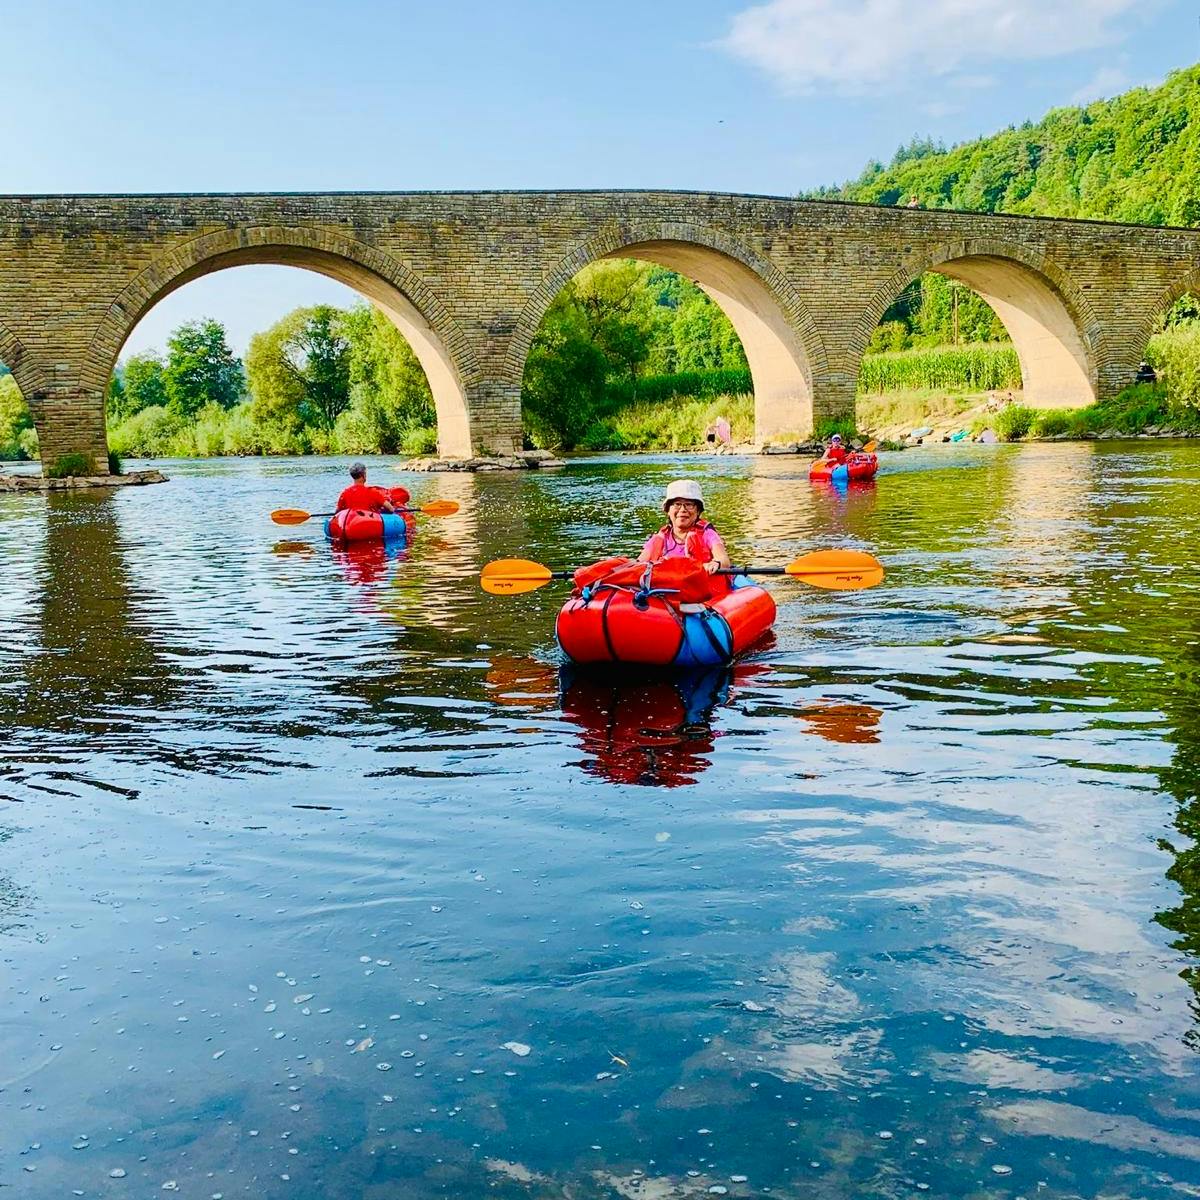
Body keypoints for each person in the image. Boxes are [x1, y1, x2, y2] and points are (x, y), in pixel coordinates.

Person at [638, 480, 731, 577]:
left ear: (698, 511)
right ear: (668, 510)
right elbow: (638, 564)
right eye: (677, 504)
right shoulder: (658, 538)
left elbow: (724, 560)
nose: (682, 510)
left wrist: (716, 563)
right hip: (664, 585)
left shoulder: (708, 534)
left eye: (689, 505)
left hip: (698, 584)